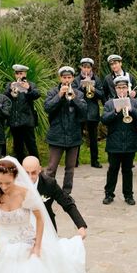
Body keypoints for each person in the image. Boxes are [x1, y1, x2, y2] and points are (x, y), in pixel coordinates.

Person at [0, 156, 87, 237]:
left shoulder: (49, 183)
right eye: (26, 172)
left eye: (33, 172)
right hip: (21, 229)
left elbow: (67, 204)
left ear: (40, 169)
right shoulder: (12, 184)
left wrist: (81, 226)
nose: (29, 176)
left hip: (45, 226)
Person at [101, 75, 137, 205]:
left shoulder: (135, 103)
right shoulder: (110, 103)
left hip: (130, 142)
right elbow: (104, 119)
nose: (122, 90)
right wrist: (115, 111)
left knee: (127, 170)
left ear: (128, 88)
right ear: (115, 89)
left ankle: (128, 195)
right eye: (119, 88)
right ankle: (109, 194)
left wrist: (131, 110)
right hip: (114, 142)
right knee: (113, 169)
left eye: (124, 87)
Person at [44, 66, 87, 195]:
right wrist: (59, 96)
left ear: (73, 78)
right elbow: (47, 108)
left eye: (69, 77)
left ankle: (66, 193)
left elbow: (84, 111)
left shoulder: (78, 93)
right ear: (60, 78)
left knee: (70, 169)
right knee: (51, 168)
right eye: (64, 77)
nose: (67, 80)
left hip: (73, 136)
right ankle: (48, 192)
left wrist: (74, 98)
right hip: (56, 136)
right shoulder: (52, 92)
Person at [5, 64, 41, 162]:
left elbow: (37, 94)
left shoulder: (31, 84)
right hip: (14, 121)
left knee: (31, 145)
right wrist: (10, 90)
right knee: (18, 146)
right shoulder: (10, 85)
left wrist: (28, 88)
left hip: (27, 121)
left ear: (25, 74)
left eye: (21, 73)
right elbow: (5, 97)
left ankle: (37, 164)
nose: (19, 76)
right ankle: (21, 166)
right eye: (17, 74)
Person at [73, 57, 104, 169]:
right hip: (80, 111)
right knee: (77, 137)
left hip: (92, 112)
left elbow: (102, 95)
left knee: (93, 138)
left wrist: (94, 89)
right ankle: (75, 160)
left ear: (91, 68)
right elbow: (73, 94)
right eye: (84, 67)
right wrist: (82, 87)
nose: (86, 69)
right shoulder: (76, 80)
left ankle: (94, 161)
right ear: (81, 67)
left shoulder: (97, 79)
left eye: (88, 67)